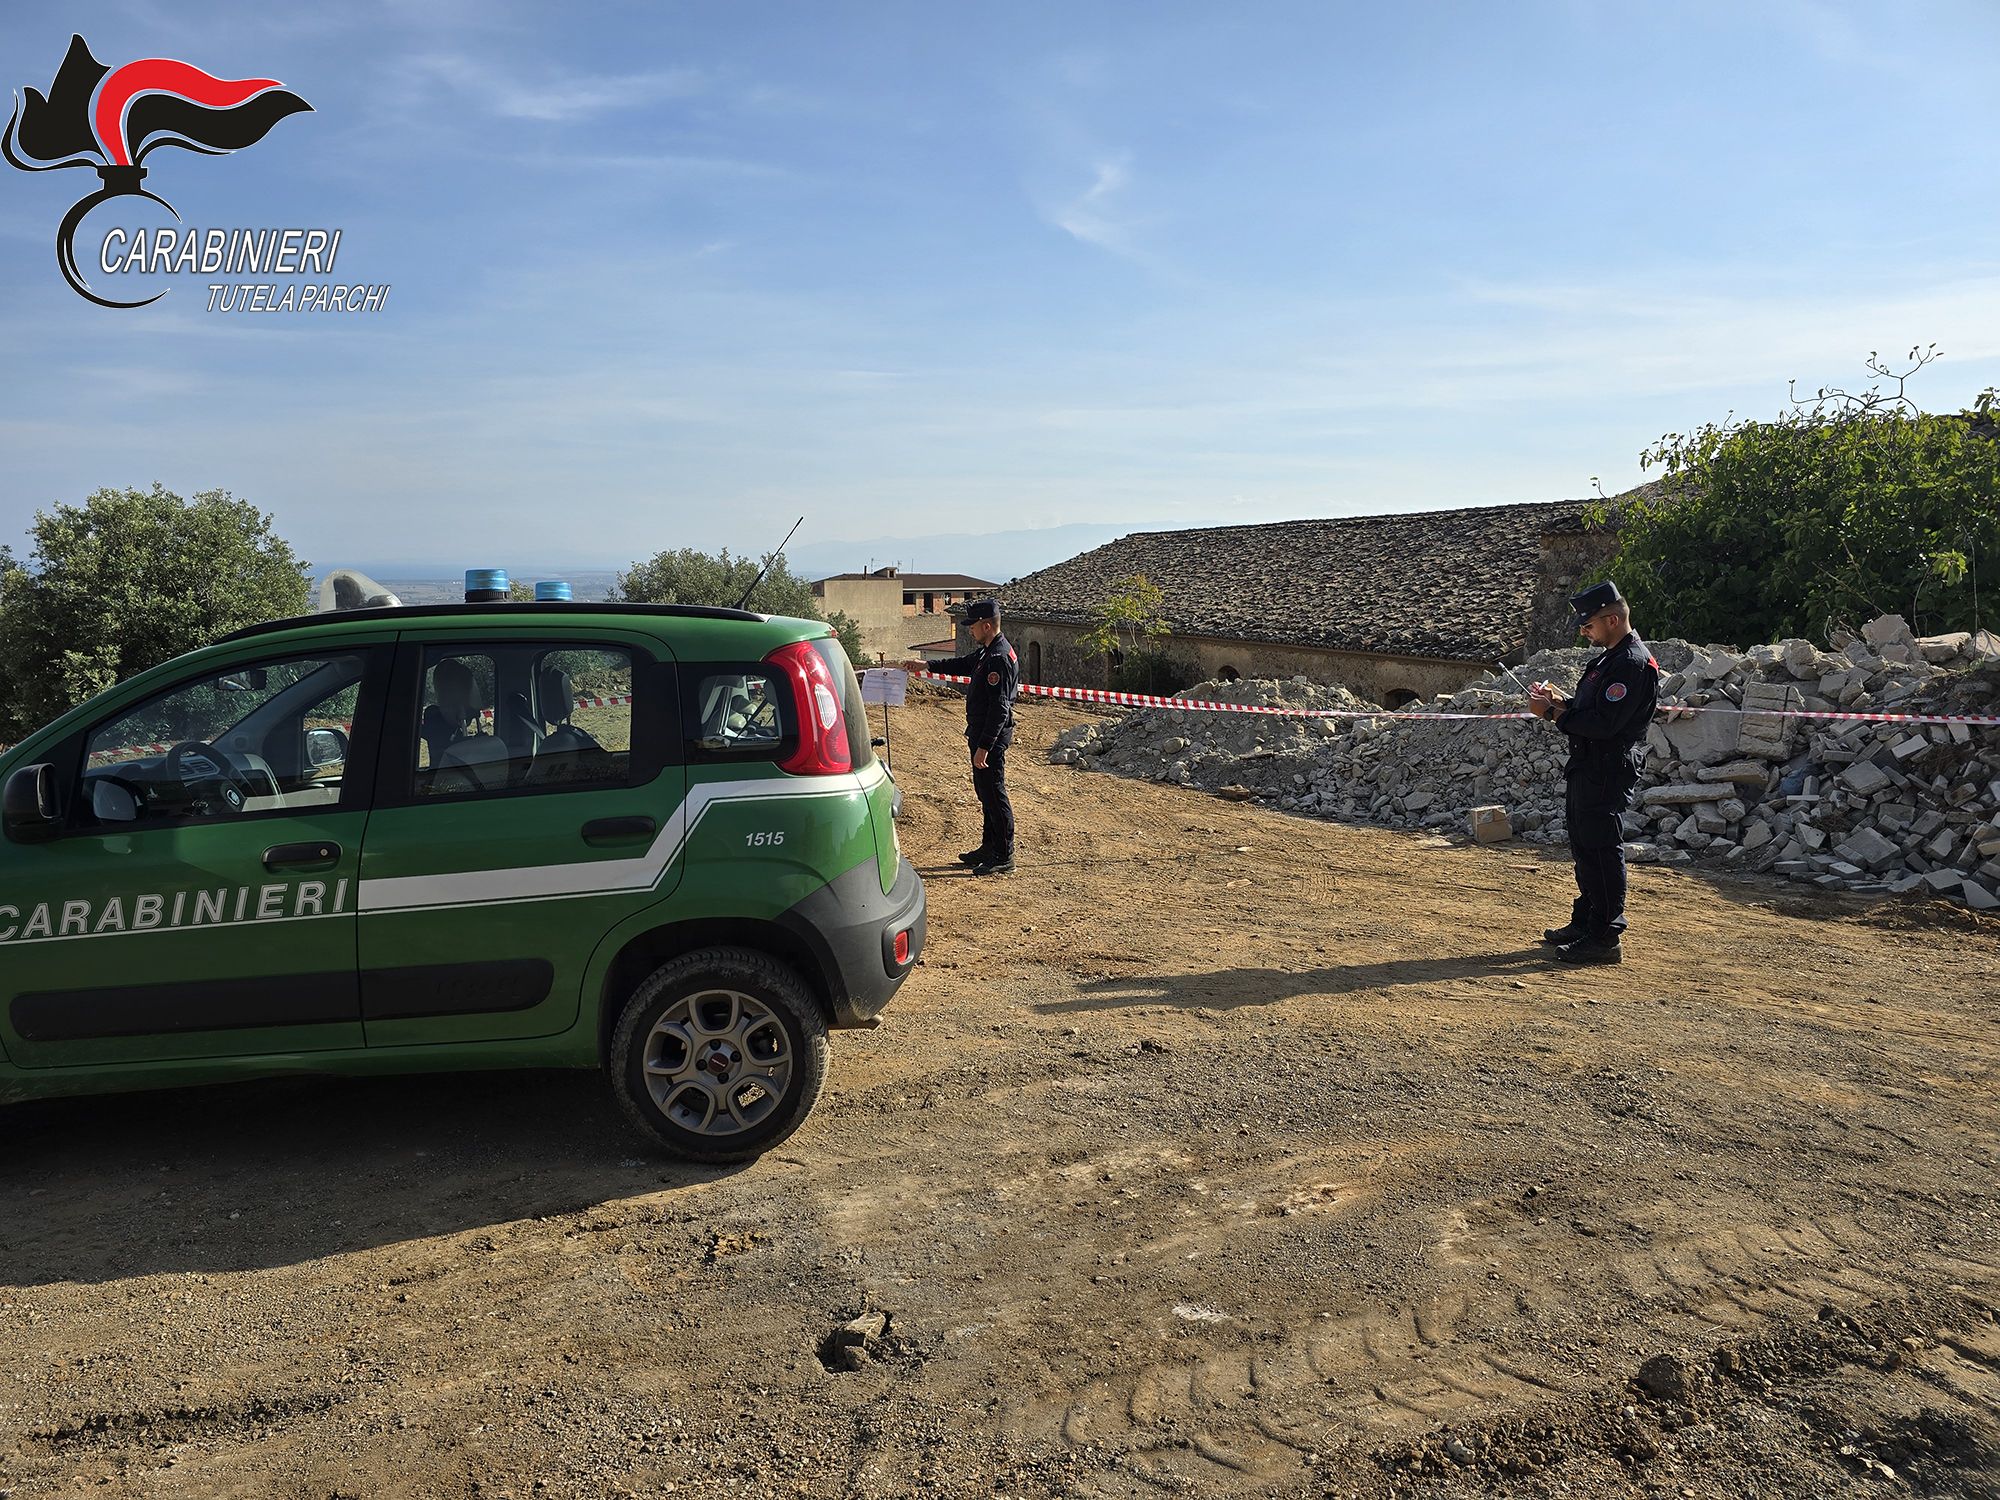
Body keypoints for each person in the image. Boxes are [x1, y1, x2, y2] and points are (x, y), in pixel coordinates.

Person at [1527, 581, 1660, 965]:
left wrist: (1553, 715)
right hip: (1589, 764)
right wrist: (1559, 701)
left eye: (1589, 626)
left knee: (1601, 849)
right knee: (1585, 847)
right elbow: (1591, 707)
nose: (1584, 633)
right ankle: (1587, 920)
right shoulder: (1608, 660)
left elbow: (1605, 724)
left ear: (1613, 619)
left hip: (1607, 765)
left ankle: (1604, 938)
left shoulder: (1631, 664)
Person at [902, 599, 1019, 875]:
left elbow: (999, 708)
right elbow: (963, 664)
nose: (970, 631)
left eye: (973, 626)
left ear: (987, 626)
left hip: (989, 739)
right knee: (985, 793)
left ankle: (1003, 855)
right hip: (981, 736)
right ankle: (989, 847)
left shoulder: (998, 658)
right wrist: (926, 664)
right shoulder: (987, 652)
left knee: (994, 793)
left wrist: (985, 747)